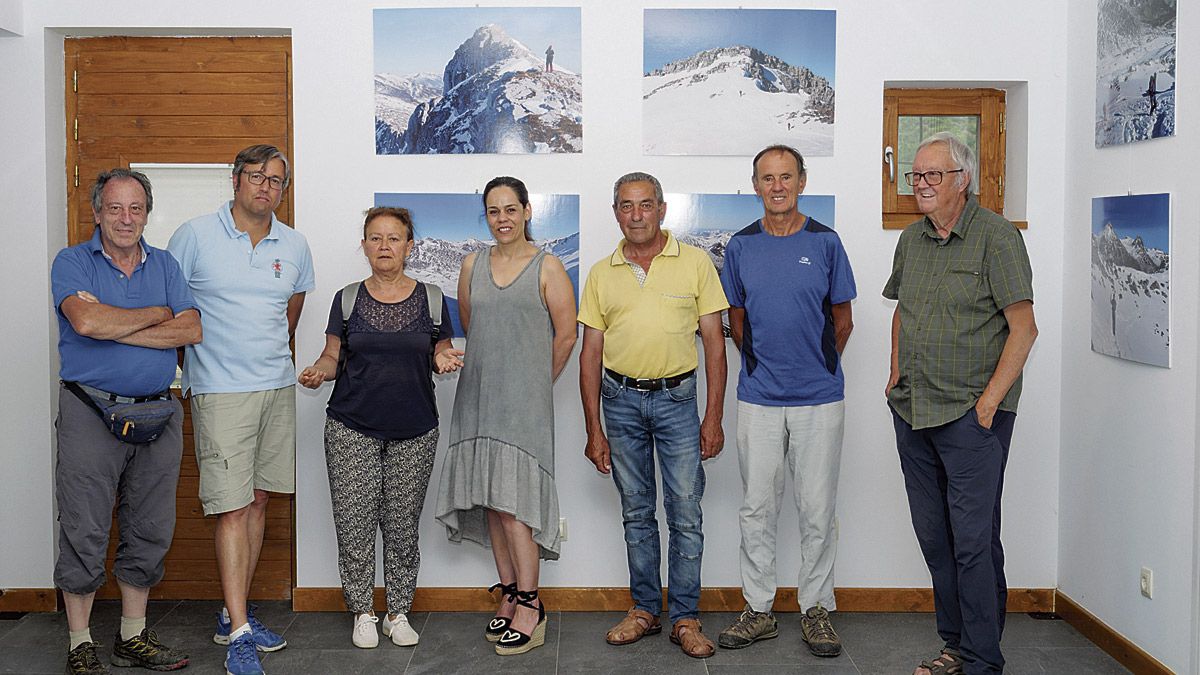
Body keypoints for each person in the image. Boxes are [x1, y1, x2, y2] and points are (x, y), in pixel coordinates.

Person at [884, 132, 1037, 675]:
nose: (921, 185)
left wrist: (989, 405)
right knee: (936, 539)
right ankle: (956, 645)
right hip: (914, 411)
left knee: (973, 543)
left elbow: (1024, 329)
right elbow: (903, 309)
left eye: (932, 175)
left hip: (972, 418)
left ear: (962, 179)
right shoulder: (912, 239)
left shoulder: (997, 237)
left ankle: (981, 660)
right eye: (915, 176)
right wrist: (895, 372)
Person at [168, 144, 315, 675]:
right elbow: (171, 308)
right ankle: (240, 635)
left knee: (257, 502)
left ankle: (236, 616)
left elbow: (288, 313)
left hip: (276, 387)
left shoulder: (294, 244)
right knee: (230, 508)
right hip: (220, 391)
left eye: (276, 180)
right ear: (235, 179)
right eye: (256, 176)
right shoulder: (194, 235)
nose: (265, 187)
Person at [52, 169, 200, 674]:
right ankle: (79, 642)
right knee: (84, 525)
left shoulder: (166, 264)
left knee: (152, 527)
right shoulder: (72, 261)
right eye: (115, 208)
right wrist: (158, 315)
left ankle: (132, 637)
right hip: (88, 410)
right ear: (97, 212)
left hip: (160, 411)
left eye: (136, 208)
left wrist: (115, 325)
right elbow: (85, 322)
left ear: (147, 213)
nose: (125, 218)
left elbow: (193, 328)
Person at [578, 172, 728, 659]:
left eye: (645, 205)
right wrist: (593, 429)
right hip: (619, 403)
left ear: (662, 209)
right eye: (626, 206)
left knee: (686, 513)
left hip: (678, 403)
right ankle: (644, 609)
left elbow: (713, 347)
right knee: (637, 513)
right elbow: (589, 354)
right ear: (616, 212)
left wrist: (713, 417)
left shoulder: (696, 263)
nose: (636, 215)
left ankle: (685, 617)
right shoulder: (602, 272)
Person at [298, 207, 464, 649]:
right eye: (375, 238)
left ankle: (398, 612)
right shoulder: (347, 298)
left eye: (394, 238)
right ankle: (362, 612)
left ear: (410, 246)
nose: (385, 246)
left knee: (402, 524)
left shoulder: (431, 298)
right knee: (354, 523)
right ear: (365, 245)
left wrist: (443, 359)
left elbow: (439, 352)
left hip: (416, 428)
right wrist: (319, 369)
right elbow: (332, 356)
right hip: (351, 427)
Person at [716, 145, 856, 657]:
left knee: (817, 509)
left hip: (819, 399)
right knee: (756, 507)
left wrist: (816, 366)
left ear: (801, 181)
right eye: (767, 178)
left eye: (786, 177)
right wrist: (761, 363)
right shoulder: (741, 246)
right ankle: (758, 609)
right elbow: (736, 317)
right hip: (758, 397)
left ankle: (816, 608)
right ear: (756, 185)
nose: (777, 186)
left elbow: (843, 320)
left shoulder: (825, 242)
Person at [435, 176, 577, 656]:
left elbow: (566, 335)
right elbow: (474, 328)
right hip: (476, 395)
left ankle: (532, 604)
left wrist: (538, 381)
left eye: (510, 209)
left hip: (523, 402)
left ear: (528, 211)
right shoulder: (472, 264)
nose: (503, 219)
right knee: (491, 500)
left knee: (515, 503)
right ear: (487, 216)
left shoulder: (548, 266)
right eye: (493, 211)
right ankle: (510, 590)